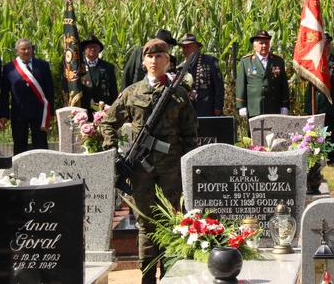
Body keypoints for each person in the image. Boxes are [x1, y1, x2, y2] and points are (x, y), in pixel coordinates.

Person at [100, 39, 198, 284]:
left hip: (170, 169)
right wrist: (114, 156)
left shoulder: (178, 94)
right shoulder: (132, 92)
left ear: (168, 60)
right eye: (150, 57)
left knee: (171, 220)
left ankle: (169, 275)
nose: (155, 61)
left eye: (160, 56)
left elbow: (190, 134)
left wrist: (187, 170)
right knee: (145, 224)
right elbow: (108, 122)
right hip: (140, 170)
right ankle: (147, 276)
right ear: (144, 61)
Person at [0, 38, 54, 155]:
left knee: (41, 145)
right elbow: (4, 93)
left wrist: (51, 112)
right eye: (23, 49)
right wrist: (4, 114)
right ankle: (19, 172)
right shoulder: (9, 67)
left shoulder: (43, 65)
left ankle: (44, 171)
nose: (26, 51)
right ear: (16, 51)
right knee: (19, 145)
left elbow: (50, 90)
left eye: (28, 48)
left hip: (39, 112)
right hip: (19, 113)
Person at [303, 33, 334, 164]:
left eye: (328, 44)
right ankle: (314, 158)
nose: (326, 47)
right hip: (314, 103)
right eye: (323, 44)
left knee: (332, 133)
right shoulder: (310, 60)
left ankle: (332, 159)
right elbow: (303, 77)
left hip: (332, 104)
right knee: (314, 134)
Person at [236, 30, 290, 118]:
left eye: (266, 43)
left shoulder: (278, 61)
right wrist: (241, 105)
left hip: (273, 107)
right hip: (254, 108)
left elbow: (283, 85)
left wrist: (285, 105)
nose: (264, 46)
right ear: (254, 46)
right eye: (261, 43)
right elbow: (240, 85)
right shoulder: (246, 62)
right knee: (255, 131)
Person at [178, 33, 225, 117]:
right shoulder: (181, 67)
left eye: (188, 46)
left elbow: (219, 85)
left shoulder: (209, 61)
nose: (186, 49)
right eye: (184, 47)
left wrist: (218, 106)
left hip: (207, 107)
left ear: (196, 46)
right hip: (188, 110)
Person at [80, 35, 119, 107]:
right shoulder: (78, 67)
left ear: (99, 49)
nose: (93, 49)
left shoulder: (108, 67)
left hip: (103, 107)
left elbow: (113, 90)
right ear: (84, 49)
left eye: (95, 47)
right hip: (84, 107)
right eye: (90, 46)